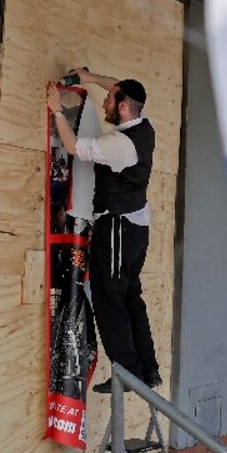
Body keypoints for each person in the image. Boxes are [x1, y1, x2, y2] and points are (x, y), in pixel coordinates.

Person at [47, 69, 160, 392]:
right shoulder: (143, 126)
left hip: (117, 228)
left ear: (123, 107)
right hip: (135, 228)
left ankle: (126, 373)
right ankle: (147, 369)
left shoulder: (119, 144)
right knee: (130, 296)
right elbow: (120, 88)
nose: (105, 102)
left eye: (109, 100)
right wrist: (90, 78)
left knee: (109, 298)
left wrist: (57, 109)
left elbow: (73, 147)